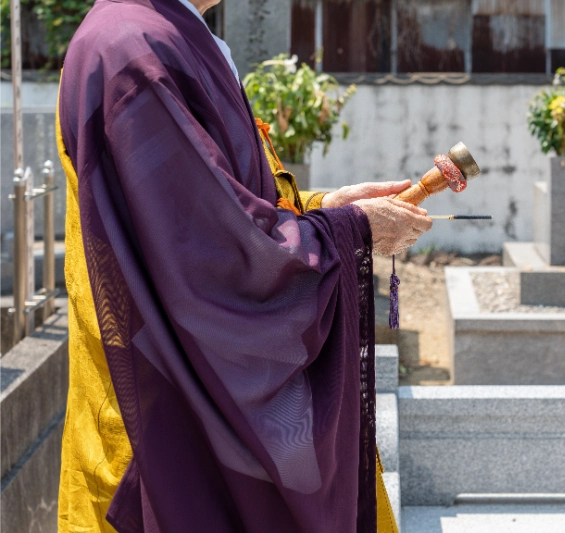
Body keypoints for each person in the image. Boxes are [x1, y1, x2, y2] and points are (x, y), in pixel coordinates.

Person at [55, 0, 432, 531]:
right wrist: (352, 232)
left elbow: (213, 204)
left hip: (179, 398)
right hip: (161, 423)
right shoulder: (131, 48)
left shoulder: (163, 33)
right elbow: (207, 254)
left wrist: (325, 209)